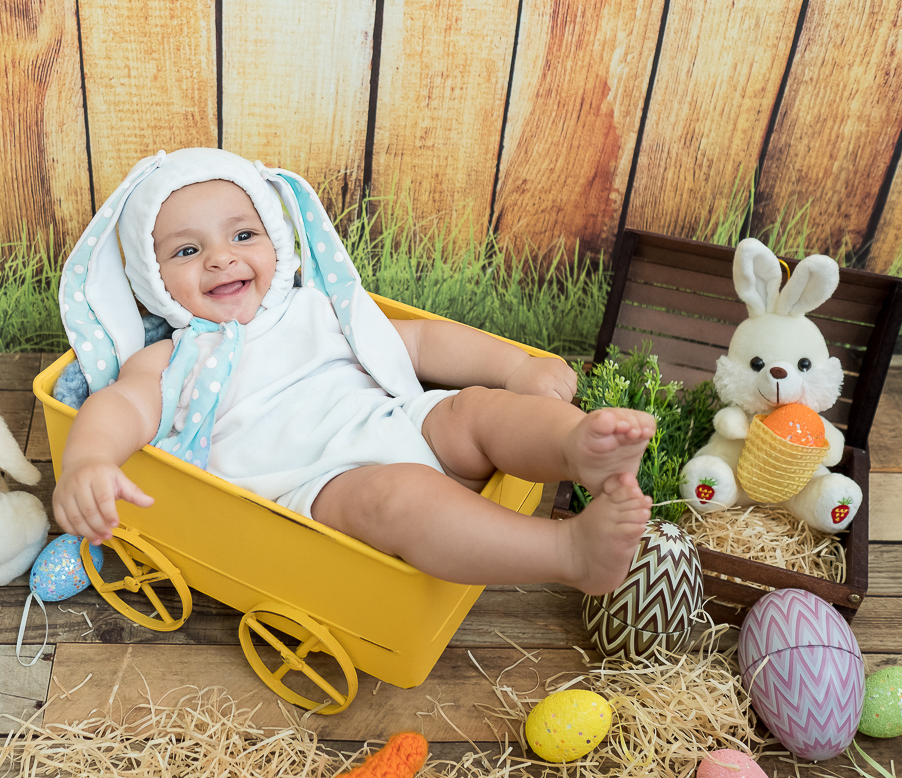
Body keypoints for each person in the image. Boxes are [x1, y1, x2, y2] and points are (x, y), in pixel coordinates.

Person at [53, 148, 654, 596]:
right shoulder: (170, 358)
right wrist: (87, 461)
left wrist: (517, 367)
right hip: (323, 483)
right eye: (187, 251)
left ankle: (575, 447)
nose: (221, 257)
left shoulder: (315, 306)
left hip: (400, 421)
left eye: (242, 234)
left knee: (475, 409)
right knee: (397, 496)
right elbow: (120, 408)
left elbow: (417, 340)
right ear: (152, 282)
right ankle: (567, 551)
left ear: (278, 241)